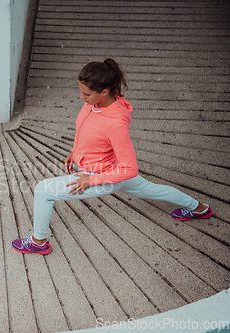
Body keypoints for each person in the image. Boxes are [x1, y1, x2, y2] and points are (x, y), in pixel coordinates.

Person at [12, 58, 212, 255]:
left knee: (43, 190)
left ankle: (38, 242)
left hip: (104, 177)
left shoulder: (116, 124)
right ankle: (200, 209)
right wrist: (75, 150)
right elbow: (85, 128)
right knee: (153, 190)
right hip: (106, 169)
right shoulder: (95, 103)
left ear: (104, 92)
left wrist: (91, 180)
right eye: (81, 91)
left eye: (86, 93)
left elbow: (129, 169)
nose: (81, 97)